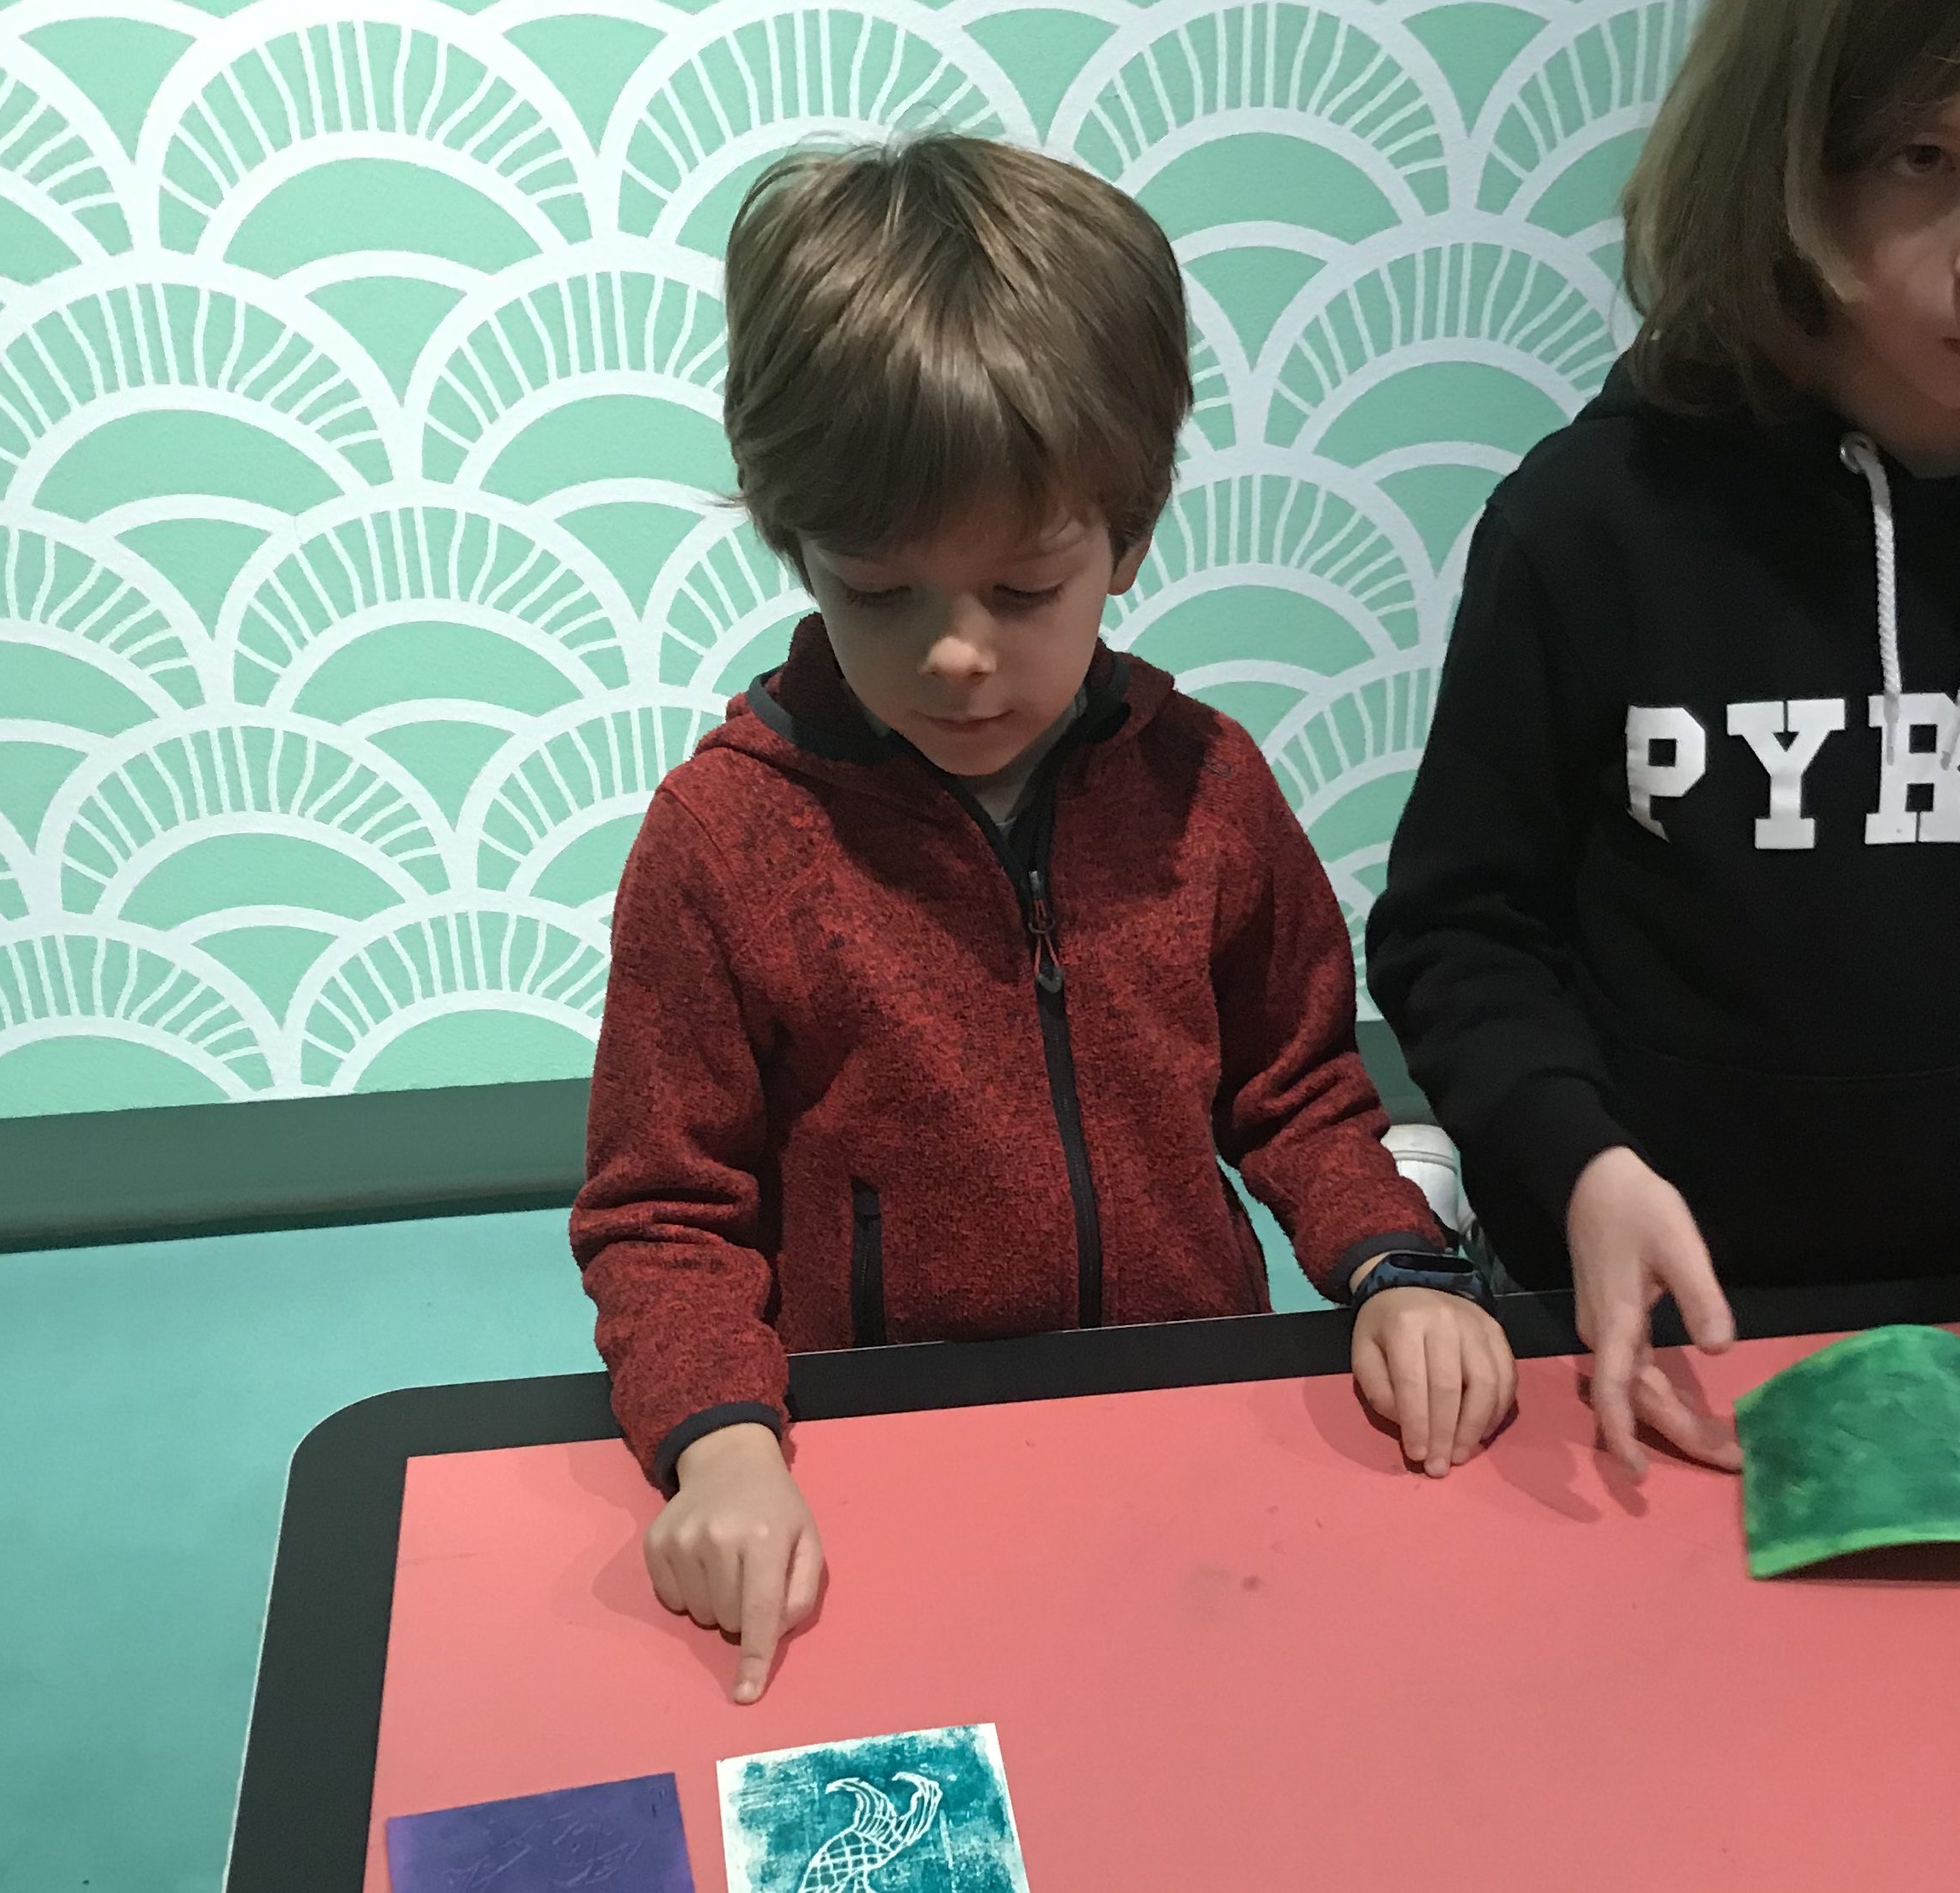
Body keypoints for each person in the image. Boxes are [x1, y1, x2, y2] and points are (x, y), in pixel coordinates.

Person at [573, 136, 1517, 1701]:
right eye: (879, 592)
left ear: (1126, 536)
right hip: (873, 1463)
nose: (957, 657)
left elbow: (1294, 1088)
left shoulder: (1206, 786)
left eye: (1022, 592)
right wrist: (719, 1447)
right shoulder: (722, 839)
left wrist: (1394, 1266)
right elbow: (663, 1215)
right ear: (794, 543)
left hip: (1186, 1431)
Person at [1366, 0, 1960, 1481]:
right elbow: (1461, 930)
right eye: (1920, 156)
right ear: (1779, 157)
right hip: (1645, 1340)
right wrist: (1578, 1166)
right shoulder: (1590, 522)